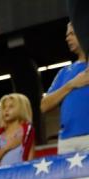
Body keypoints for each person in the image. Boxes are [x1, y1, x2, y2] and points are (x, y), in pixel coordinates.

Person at [40, 22, 89, 154]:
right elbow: (44, 105)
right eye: (67, 35)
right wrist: (71, 84)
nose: (67, 38)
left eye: (72, 34)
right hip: (66, 141)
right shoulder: (65, 72)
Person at [0, 94, 36, 168]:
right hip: (3, 175)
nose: (6, 110)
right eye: (4, 107)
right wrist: (6, 147)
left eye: (11, 107)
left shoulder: (27, 131)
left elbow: (30, 158)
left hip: (20, 174)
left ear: (21, 108)